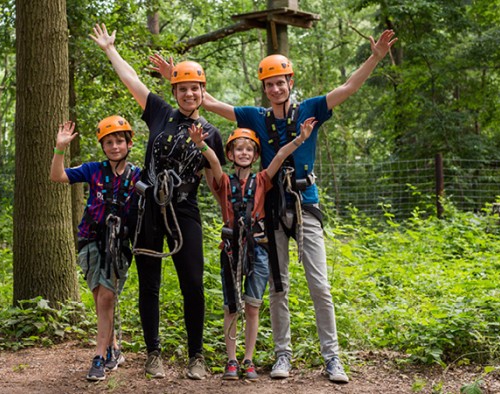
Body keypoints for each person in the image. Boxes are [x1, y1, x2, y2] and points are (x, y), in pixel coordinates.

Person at [150, 28, 397, 383]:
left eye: (281, 82)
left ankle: (332, 357)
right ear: (264, 88)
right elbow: (208, 102)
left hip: (304, 206)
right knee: (279, 286)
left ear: (290, 82)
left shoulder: (310, 109)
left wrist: (374, 57)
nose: (276, 89)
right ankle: (283, 355)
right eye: (270, 84)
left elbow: (348, 90)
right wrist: (175, 78)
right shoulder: (255, 117)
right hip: (270, 212)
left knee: (319, 285)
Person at [90, 24, 226, 380]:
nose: (188, 94)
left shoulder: (212, 133)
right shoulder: (160, 113)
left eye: (194, 89)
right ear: (175, 90)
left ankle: (196, 356)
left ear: (202, 90)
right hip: (148, 207)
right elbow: (132, 79)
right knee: (149, 283)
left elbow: (217, 181)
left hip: (184, 210)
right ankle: (153, 354)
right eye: (182, 89)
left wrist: (207, 153)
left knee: (192, 284)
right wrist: (109, 49)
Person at [189, 117, 315, 381]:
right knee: (232, 307)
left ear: (255, 154)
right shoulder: (223, 182)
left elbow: (280, 156)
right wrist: (200, 144)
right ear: (231, 154)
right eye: (238, 149)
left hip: (257, 248)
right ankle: (232, 360)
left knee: (253, 306)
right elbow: (212, 161)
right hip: (232, 249)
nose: (243, 153)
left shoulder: (262, 179)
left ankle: (248, 359)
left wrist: (300, 139)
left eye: (249, 149)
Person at [49, 116, 141, 381]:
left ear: (128, 143)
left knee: (107, 297)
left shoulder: (137, 176)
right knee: (100, 297)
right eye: (109, 142)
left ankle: (99, 356)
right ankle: (113, 348)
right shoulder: (93, 170)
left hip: (119, 244)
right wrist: (60, 149)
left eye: (119, 141)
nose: (114, 146)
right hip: (90, 240)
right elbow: (57, 176)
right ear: (103, 146)